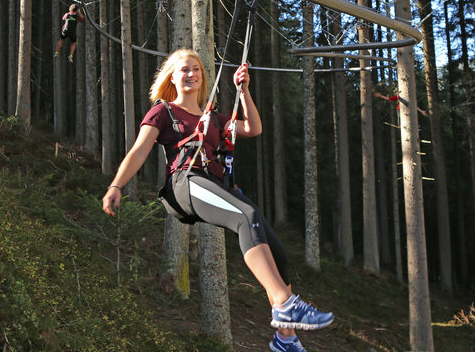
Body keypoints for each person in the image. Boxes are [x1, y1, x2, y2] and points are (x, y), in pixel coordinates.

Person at [102, 48, 333, 352]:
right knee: (245, 214)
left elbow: (253, 128)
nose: (191, 74)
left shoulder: (212, 117)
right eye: (184, 69)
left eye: (196, 69)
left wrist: (244, 90)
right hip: (185, 183)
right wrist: (117, 184)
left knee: (278, 254)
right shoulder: (163, 112)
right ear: (172, 76)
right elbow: (139, 151)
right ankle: (285, 303)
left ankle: (285, 339)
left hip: (214, 184)